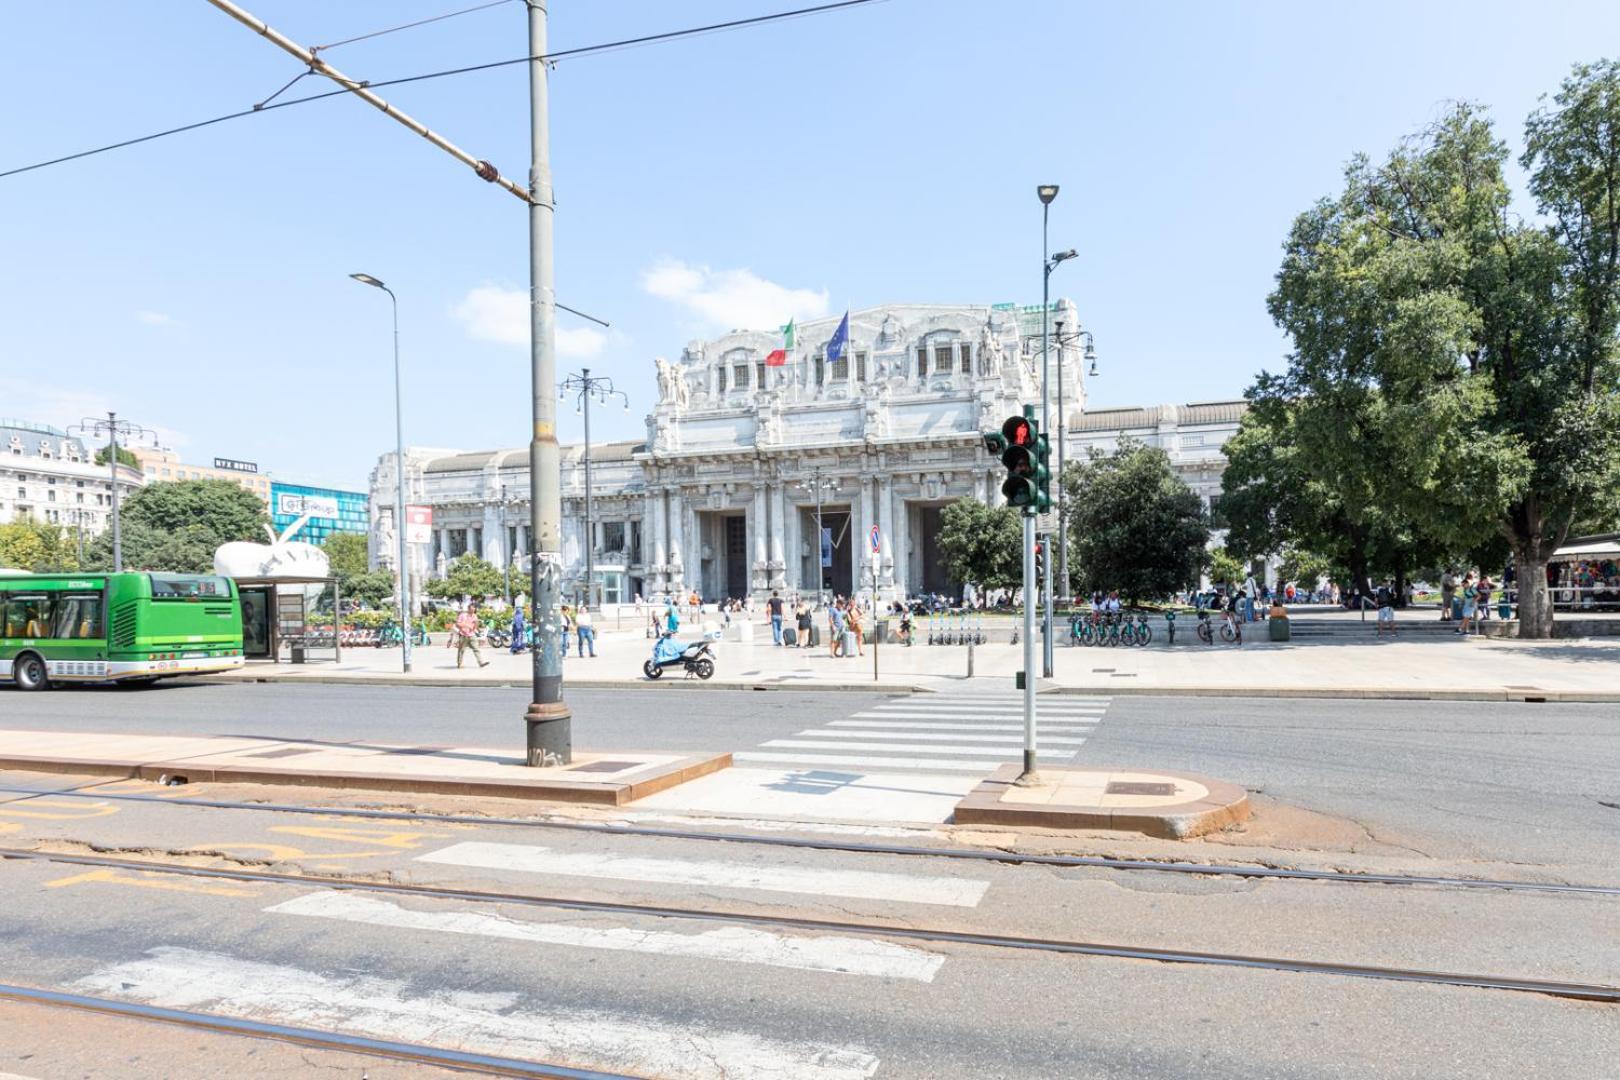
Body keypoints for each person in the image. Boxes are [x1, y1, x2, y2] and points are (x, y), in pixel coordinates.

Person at [453, 604, 489, 669]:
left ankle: (481, 663)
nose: (473, 611)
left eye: (474, 610)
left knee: (476, 649)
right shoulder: (462, 615)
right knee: (461, 650)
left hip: (472, 635)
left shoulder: (475, 616)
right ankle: (459, 664)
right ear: (468, 609)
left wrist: (476, 625)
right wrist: (465, 625)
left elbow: (475, 626)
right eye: (471, 609)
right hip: (463, 635)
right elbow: (457, 624)